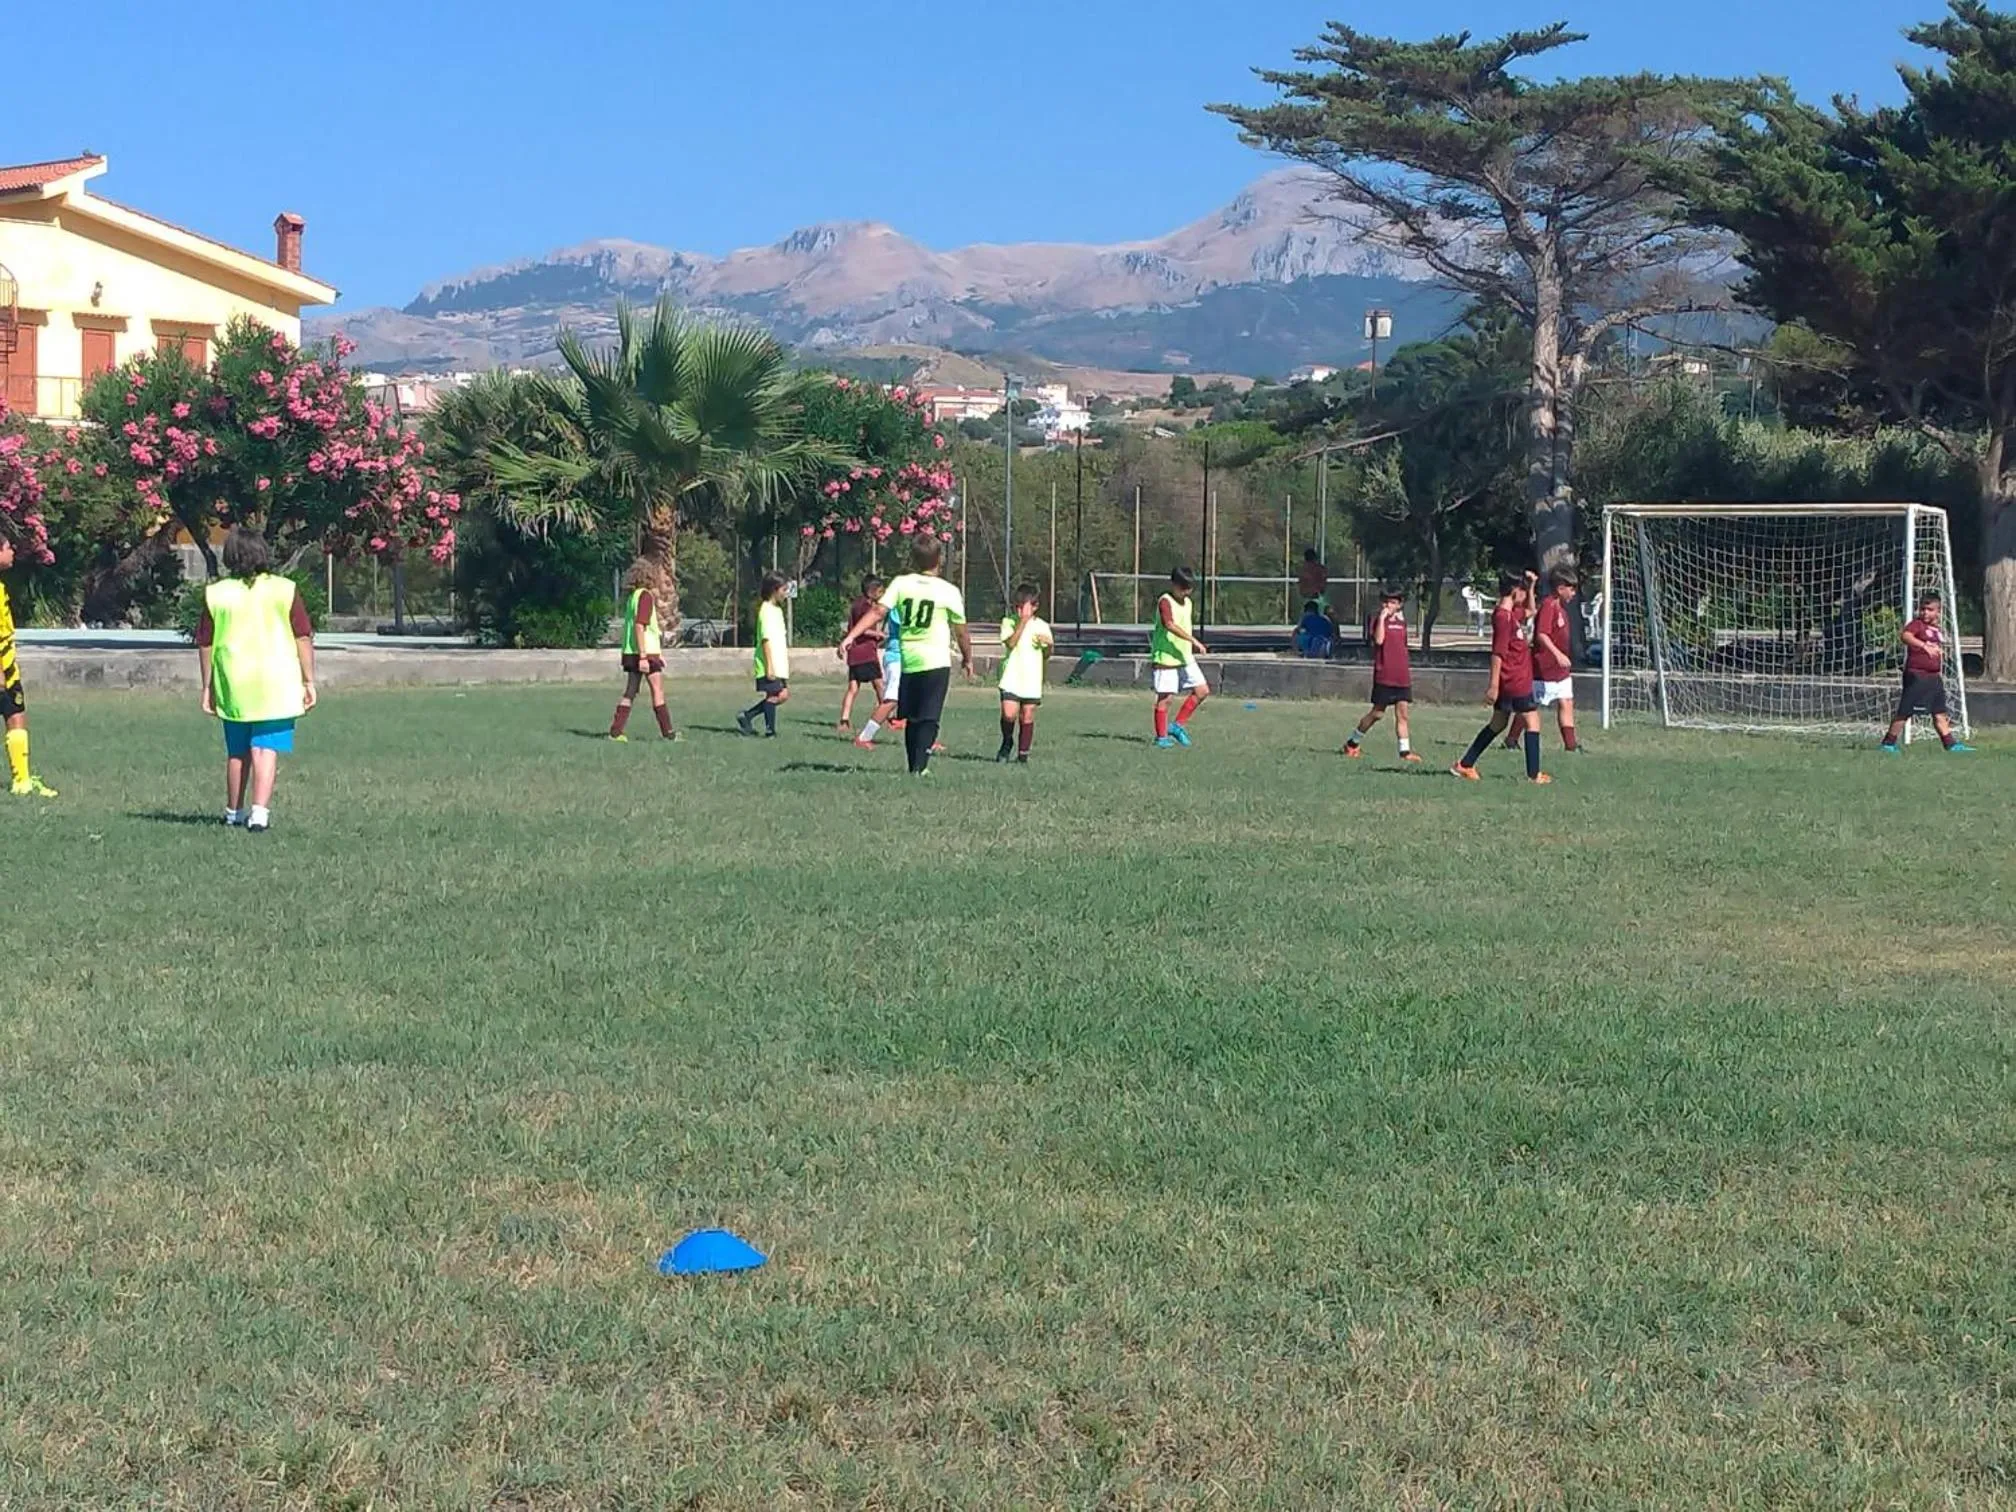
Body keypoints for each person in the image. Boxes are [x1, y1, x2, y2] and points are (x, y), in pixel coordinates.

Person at [196, 527, 317, 831]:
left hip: (234, 681)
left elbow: (205, 642)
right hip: (276, 681)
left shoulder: (216, 594)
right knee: (265, 748)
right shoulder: (285, 589)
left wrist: (207, 686)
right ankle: (260, 812)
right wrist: (309, 680)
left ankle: (233, 812)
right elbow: (302, 636)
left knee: (237, 751)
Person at [866, 538, 970, 775]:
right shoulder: (948, 591)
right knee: (929, 717)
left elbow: (878, 611)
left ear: (913, 560)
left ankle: (913, 766)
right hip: (935, 661)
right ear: (939, 560)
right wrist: (968, 658)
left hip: (908, 659)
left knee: (912, 717)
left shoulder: (901, 583)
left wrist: (851, 635)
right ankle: (920, 767)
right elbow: (961, 631)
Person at [1453, 570, 1549, 785]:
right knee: (1532, 721)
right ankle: (1534, 775)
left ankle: (1465, 764)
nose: (1525, 596)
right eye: (1523, 591)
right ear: (1515, 591)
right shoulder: (1503, 618)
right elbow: (1498, 653)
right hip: (1513, 680)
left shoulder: (1511, 614)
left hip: (1514, 680)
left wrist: (1532, 586)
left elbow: (1531, 610)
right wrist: (1493, 685)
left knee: (1498, 723)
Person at [1880, 592, 1974, 754]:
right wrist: (1924, 646)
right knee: (1906, 711)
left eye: (1930, 609)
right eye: (1923, 609)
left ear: (1938, 611)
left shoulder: (1937, 629)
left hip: (1934, 677)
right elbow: (1905, 636)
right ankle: (1888, 743)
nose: (1925, 612)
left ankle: (1950, 744)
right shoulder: (1917, 625)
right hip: (1917, 675)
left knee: (1939, 712)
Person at [0, 534, 57, 799]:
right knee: (14, 715)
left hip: (8, 666)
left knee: (16, 715)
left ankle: (22, 779)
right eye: (8, 548)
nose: (12, 552)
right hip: (3, 669)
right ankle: (21, 780)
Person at [1344, 586, 1420, 763]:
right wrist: (1383, 618)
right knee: (1377, 713)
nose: (1388, 605)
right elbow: (1379, 640)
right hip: (1384, 675)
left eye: (1393, 602)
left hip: (1401, 676)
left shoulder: (1402, 623)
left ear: (1399, 605)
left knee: (1402, 715)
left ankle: (1405, 752)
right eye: (1386, 602)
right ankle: (1352, 742)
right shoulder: (1378, 620)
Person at [608, 561, 678, 742]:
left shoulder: (634, 596)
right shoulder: (645, 597)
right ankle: (668, 732)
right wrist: (645, 657)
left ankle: (616, 731)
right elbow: (640, 626)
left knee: (630, 691)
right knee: (657, 690)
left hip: (633, 651)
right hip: (644, 653)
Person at [1150, 568, 1210, 748]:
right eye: (1183, 587)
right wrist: (1193, 640)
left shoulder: (1188, 603)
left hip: (1184, 656)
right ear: (1174, 585)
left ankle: (1176, 726)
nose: (1187, 592)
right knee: (1165, 698)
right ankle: (1161, 738)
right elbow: (1169, 624)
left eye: (1189, 588)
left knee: (1202, 691)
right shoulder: (1165, 601)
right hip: (1166, 657)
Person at [997, 583, 1053, 763]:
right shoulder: (1009, 622)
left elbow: (1047, 655)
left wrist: (1049, 645)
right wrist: (1022, 622)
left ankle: (1023, 755)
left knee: (1027, 714)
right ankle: (1007, 742)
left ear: (1035, 606)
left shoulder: (1043, 626)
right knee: (1008, 714)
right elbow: (1011, 643)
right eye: (1017, 606)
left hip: (1031, 678)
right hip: (1012, 677)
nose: (1019, 609)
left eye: (1024, 606)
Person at [1533, 569, 1581, 753]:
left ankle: (1571, 745)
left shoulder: (1560, 608)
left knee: (1566, 702)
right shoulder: (1548, 606)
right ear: (1561, 588)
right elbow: (1542, 635)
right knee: (1531, 705)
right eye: (1571, 589)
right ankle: (1512, 739)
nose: (1574, 593)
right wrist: (1557, 654)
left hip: (1560, 670)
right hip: (1544, 666)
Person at [738, 574, 790, 737]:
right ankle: (770, 731)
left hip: (779, 663)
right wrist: (769, 665)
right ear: (774, 590)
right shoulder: (766, 611)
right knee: (774, 695)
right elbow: (765, 640)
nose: (785, 593)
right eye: (783, 589)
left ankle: (747, 716)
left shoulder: (777, 611)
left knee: (782, 695)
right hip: (769, 662)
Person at [837, 574, 885, 731]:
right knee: (879, 685)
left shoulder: (855, 605)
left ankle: (844, 720)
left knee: (853, 688)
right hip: (866, 653)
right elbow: (862, 628)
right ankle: (887, 717)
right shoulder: (866, 607)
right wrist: (879, 635)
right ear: (872, 591)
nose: (882, 595)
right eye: (880, 591)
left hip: (854, 653)